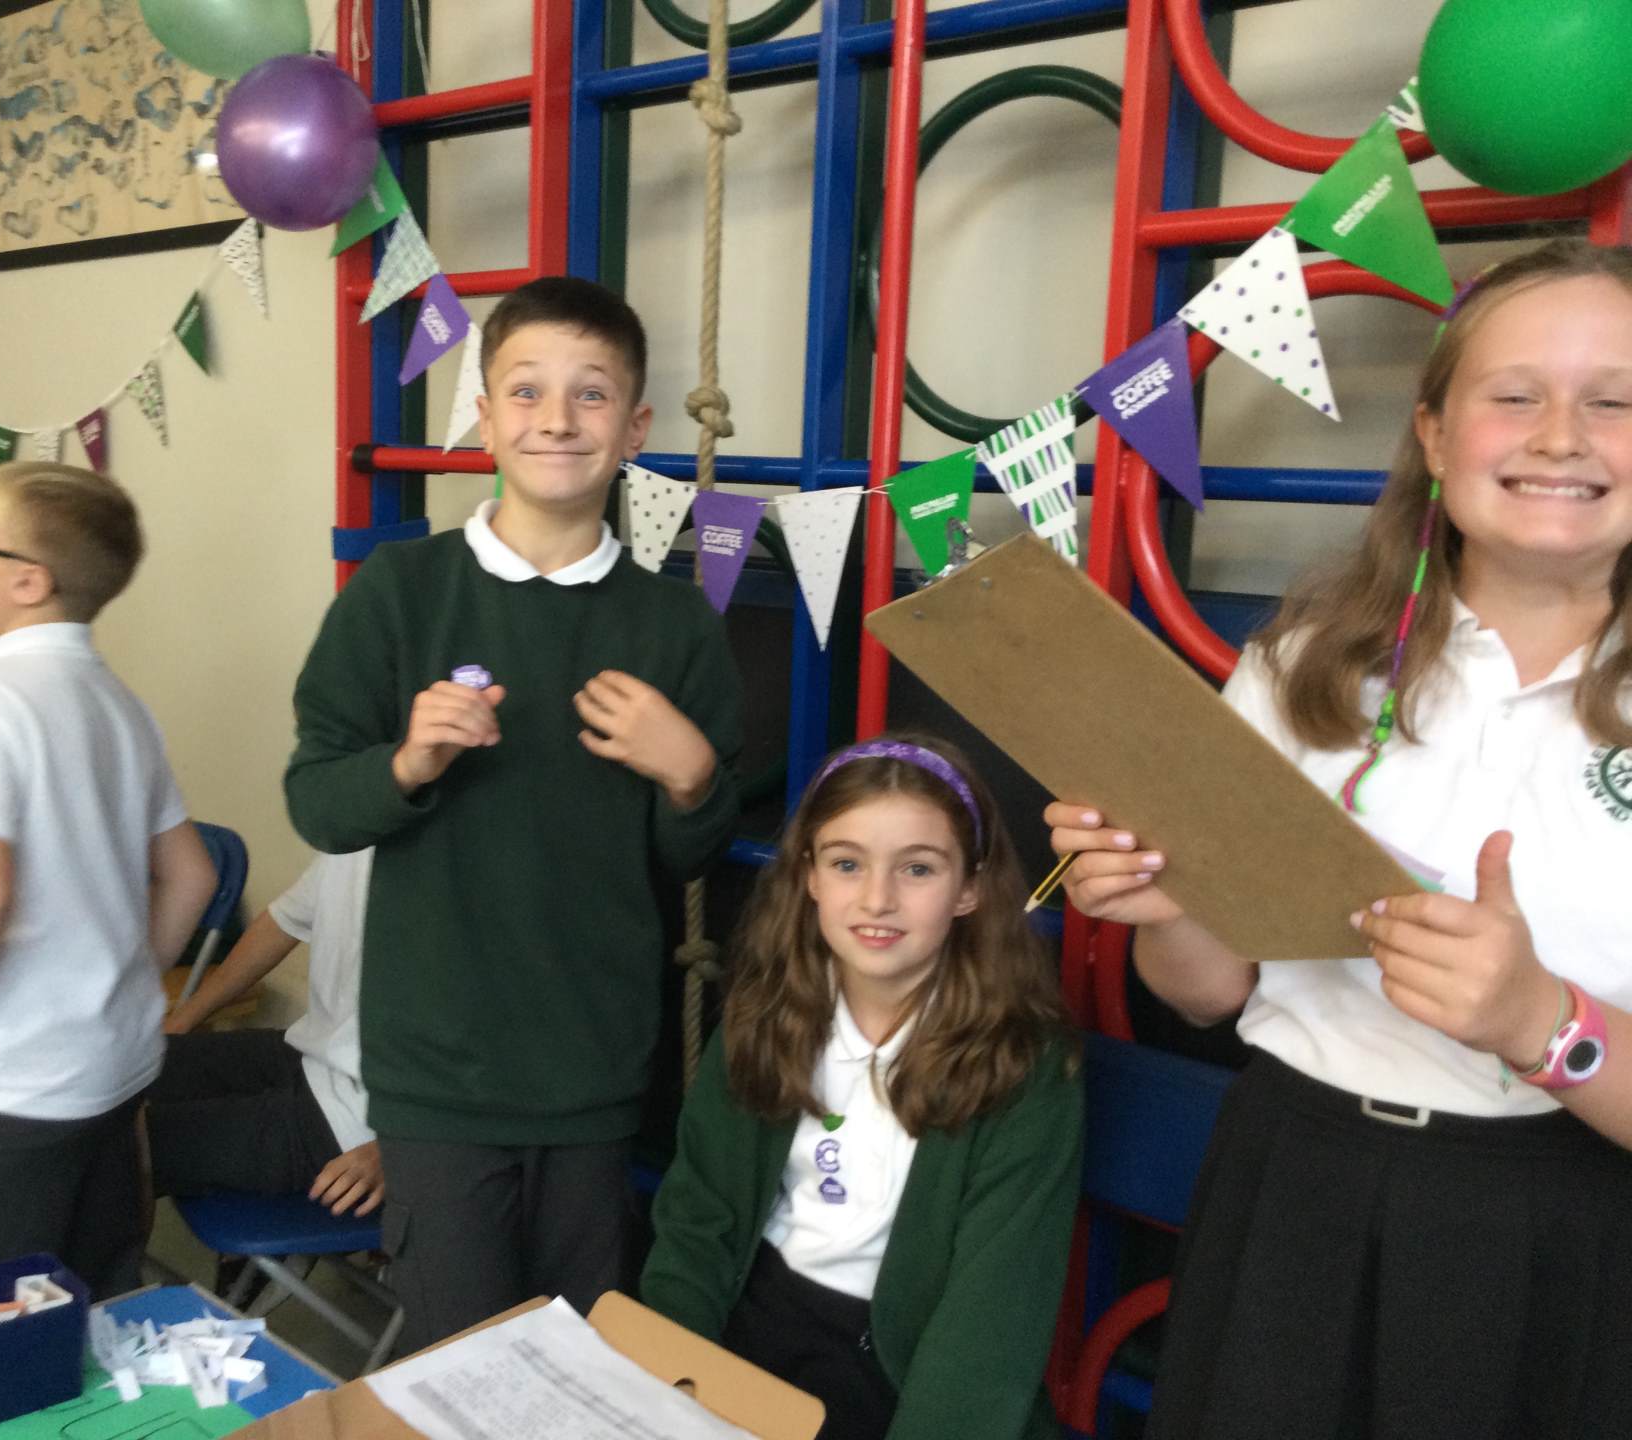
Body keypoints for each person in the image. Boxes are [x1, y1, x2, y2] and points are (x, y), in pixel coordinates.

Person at [1047, 238, 1632, 1439]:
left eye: (1615, 402)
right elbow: (1207, 992)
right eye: (1515, 395)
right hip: (1291, 1177)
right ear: (1433, 435)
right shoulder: (1304, 663)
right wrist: (1168, 896)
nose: (1562, 437)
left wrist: (1542, 1022)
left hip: (1558, 1226)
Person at [285, 275, 744, 1352]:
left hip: (594, 1068)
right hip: (437, 1075)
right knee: (459, 1370)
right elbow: (319, 803)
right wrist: (408, 761)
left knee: (576, 1363)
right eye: (527, 391)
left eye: (592, 394)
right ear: (486, 419)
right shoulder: (400, 591)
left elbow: (692, 851)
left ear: (635, 428)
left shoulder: (675, 623)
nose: (557, 419)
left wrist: (690, 777)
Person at [643, 736, 1082, 1440]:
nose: (878, 899)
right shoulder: (764, 1017)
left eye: (918, 868)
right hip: (756, 1326)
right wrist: (662, 1392)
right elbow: (699, 1222)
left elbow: (988, 1326)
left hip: (903, 1363)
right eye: (847, 864)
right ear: (810, 876)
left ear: (969, 888)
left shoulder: (1025, 1069)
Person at [0, 462, 215, 1366]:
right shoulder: (119, 703)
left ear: (28, 582)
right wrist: (115, 982)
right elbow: (189, 877)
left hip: (6, 1086)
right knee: (81, 1324)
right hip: (112, 1069)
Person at [146, 848, 384, 1222]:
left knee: (115, 1147)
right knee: (127, 1073)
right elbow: (282, 922)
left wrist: (395, 1150)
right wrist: (179, 1025)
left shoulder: (462, 862)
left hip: (366, 1122)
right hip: (313, 1059)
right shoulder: (358, 841)